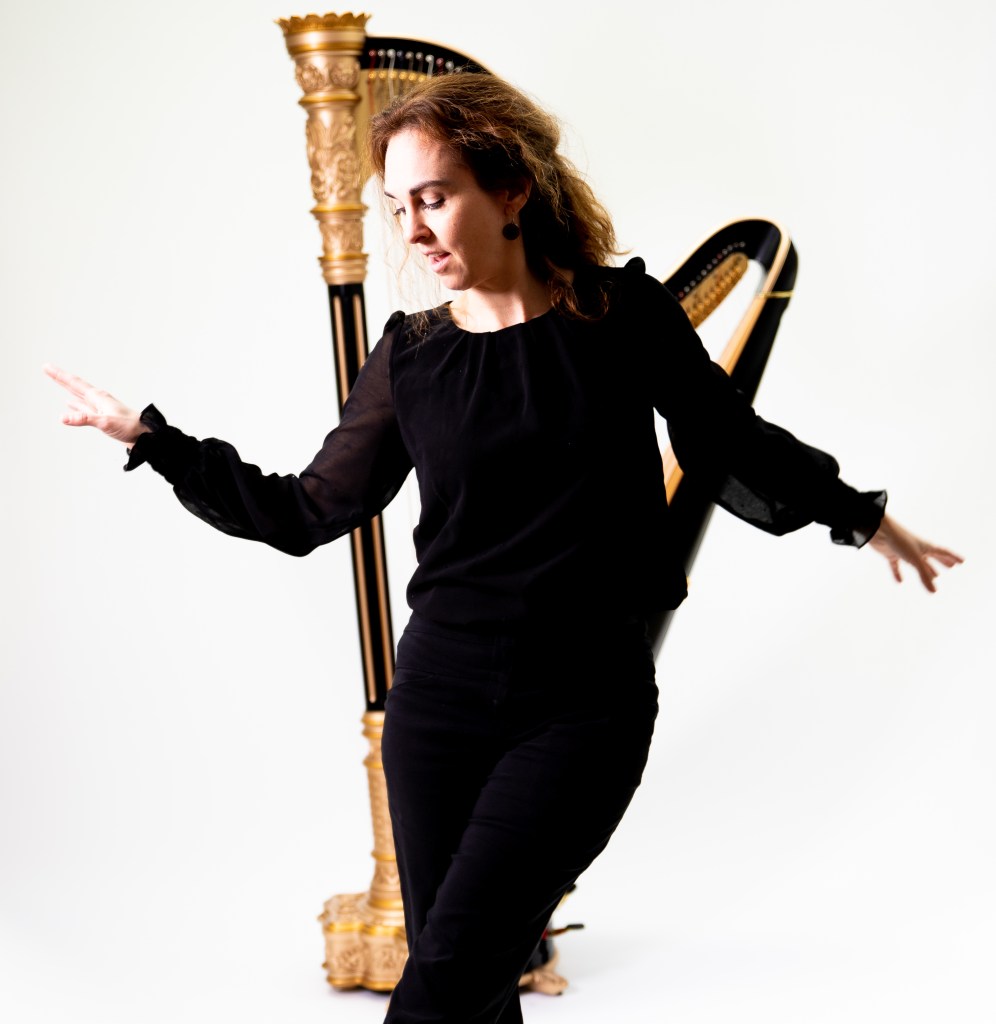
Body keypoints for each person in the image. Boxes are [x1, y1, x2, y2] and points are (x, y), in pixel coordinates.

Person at [45, 73, 961, 1024]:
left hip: (583, 709)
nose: (412, 230)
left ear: (512, 189)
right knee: (473, 995)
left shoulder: (620, 315)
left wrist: (860, 516)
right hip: (436, 706)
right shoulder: (412, 356)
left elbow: (730, 439)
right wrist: (152, 440)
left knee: (443, 984)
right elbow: (308, 510)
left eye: (434, 198)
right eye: (398, 206)